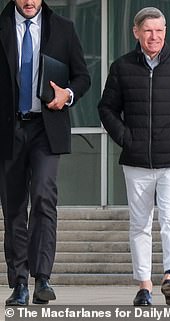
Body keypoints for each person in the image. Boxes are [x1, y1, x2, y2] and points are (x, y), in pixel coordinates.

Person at [98, 7, 170, 306]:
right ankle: (144, 285)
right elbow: (106, 109)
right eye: (148, 30)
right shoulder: (121, 67)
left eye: (159, 30)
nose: (154, 36)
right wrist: (126, 138)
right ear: (136, 32)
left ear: (165, 33)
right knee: (140, 224)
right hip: (136, 161)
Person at [0, 0, 90, 306]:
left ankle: (42, 279)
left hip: (45, 129)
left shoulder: (63, 29)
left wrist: (68, 94)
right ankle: (20, 283)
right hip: (8, 129)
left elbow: (82, 77)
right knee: (13, 207)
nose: (29, 2)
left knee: (43, 196)